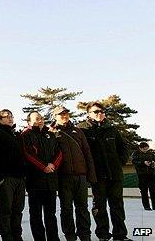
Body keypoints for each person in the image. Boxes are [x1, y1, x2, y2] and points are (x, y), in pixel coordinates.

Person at [78, 102, 131, 241]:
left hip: (115, 175)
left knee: (117, 206)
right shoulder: (82, 130)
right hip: (97, 175)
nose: (99, 113)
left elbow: (124, 147)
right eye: (95, 112)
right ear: (88, 114)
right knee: (99, 206)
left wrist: (120, 162)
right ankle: (103, 235)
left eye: (101, 111)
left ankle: (120, 235)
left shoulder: (112, 129)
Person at [50, 106, 96, 241]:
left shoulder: (78, 131)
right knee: (66, 209)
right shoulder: (52, 132)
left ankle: (85, 235)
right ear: (55, 117)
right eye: (61, 114)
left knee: (82, 207)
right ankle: (70, 235)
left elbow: (87, 153)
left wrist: (91, 175)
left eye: (66, 113)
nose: (64, 116)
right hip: (63, 177)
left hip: (80, 176)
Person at [0, 109, 26, 241]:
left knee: (18, 209)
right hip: (6, 178)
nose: (10, 118)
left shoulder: (16, 135)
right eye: (6, 116)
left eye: (11, 116)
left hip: (19, 178)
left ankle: (17, 235)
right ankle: (6, 236)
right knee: (6, 210)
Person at [23, 111, 62, 241]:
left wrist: (53, 165)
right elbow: (28, 154)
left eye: (41, 118)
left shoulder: (50, 135)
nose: (40, 120)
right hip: (35, 181)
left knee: (51, 214)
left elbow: (59, 152)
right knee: (36, 215)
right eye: (36, 118)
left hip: (50, 181)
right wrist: (43, 166)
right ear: (29, 121)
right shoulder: (26, 135)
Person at [131, 142, 155, 210]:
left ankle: (154, 206)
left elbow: (154, 159)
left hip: (151, 174)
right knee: (144, 191)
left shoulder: (150, 153)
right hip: (142, 175)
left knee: (153, 190)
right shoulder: (136, 154)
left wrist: (153, 162)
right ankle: (146, 206)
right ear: (140, 148)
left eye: (147, 149)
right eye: (144, 149)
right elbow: (134, 161)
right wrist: (143, 162)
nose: (146, 150)